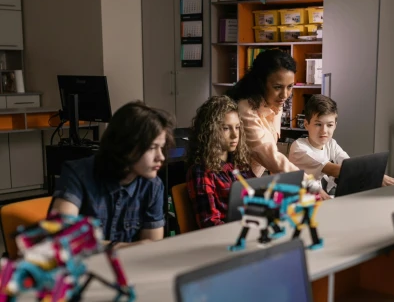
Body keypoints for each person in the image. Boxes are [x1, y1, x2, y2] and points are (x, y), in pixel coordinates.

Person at [51, 100, 174, 244]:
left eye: (161, 147)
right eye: (153, 147)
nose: (161, 157)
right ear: (127, 146)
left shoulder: (153, 185)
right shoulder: (78, 174)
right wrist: (122, 248)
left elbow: (150, 248)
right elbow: (61, 238)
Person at [289, 94, 394, 194]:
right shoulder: (299, 148)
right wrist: (376, 177)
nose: (324, 131)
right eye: (318, 124)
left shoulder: (331, 143)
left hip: (326, 196)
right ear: (306, 124)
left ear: (335, 125)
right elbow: (333, 170)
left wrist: (377, 176)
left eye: (329, 125)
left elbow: (349, 164)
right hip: (302, 203)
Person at [230, 49, 300, 178]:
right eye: (277, 87)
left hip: (252, 181)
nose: (285, 95)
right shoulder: (245, 110)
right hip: (233, 186)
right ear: (260, 83)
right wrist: (306, 181)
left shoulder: (276, 102)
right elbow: (269, 155)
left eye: (289, 87)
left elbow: (271, 152)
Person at [186, 96, 253, 228]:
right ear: (210, 131)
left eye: (237, 127)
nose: (235, 135)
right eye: (226, 128)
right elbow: (209, 223)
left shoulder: (240, 165)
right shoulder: (201, 171)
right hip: (227, 238)